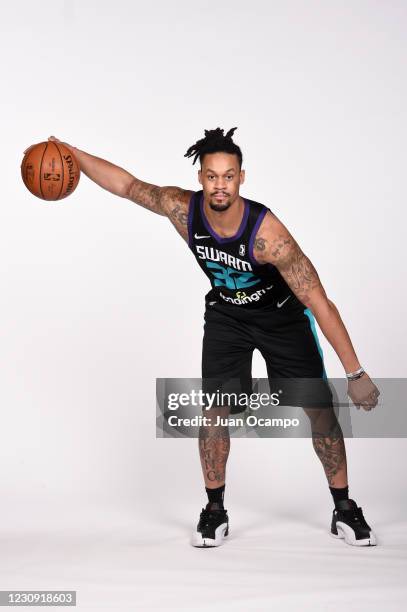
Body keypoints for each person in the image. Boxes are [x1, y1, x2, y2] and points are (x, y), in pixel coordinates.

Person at [45, 128, 380, 548]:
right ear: (201, 177)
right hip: (227, 317)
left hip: (281, 319)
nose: (219, 184)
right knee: (214, 412)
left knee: (319, 409)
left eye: (228, 176)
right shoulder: (182, 208)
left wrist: (356, 371)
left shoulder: (269, 235)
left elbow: (320, 302)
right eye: (211, 176)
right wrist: (72, 154)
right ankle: (214, 509)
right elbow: (128, 186)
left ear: (241, 178)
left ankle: (344, 507)